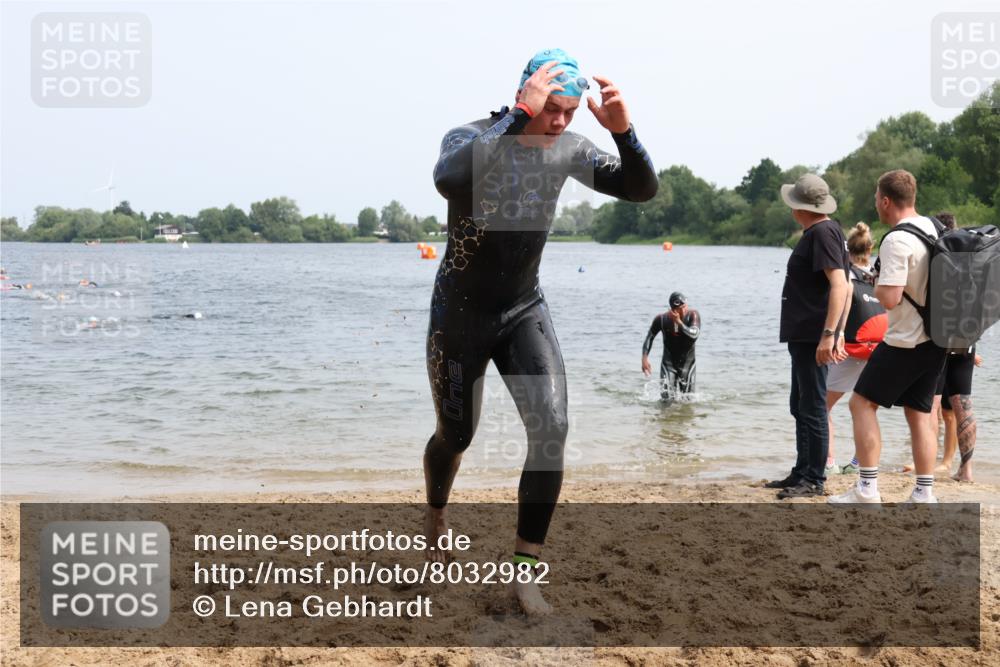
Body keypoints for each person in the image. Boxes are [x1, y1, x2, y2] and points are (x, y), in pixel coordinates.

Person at [424, 48, 657, 615]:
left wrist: (625, 134)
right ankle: (435, 517)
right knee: (456, 437)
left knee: (552, 429)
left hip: (523, 308)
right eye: (552, 108)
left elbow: (640, 189)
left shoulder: (569, 149)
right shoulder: (471, 135)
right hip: (459, 314)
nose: (559, 122)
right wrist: (515, 120)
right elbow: (448, 180)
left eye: (569, 112)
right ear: (527, 94)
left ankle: (524, 572)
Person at [830, 170, 948, 504]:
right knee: (920, 413)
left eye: (876, 200)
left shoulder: (897, 239)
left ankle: (866, 488)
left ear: (885, 201)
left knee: (861, 404)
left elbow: (891, 298)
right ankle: (924, 492)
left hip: (904, 340)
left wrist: (877, 281)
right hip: (936, 339)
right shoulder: (933, 227)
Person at [766, 173, 850, 499]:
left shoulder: (823, 233)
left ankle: (814, 479)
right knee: (800, 404)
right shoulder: (820, 232)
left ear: (798, 207)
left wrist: (830, 335)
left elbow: (841, 284)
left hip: (814, 335)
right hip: (806, 334)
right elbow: (850, 284)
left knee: (813, 406)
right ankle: (802, 470)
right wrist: (839, 331)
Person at [826, 222, 886, 475]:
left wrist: (835, 335)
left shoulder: (846, 275)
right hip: (878, 349)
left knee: (821, 404)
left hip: (850, 348)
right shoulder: (878, 275)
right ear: (870, 248)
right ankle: (859, 462)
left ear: (847, 248)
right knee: (865, 407)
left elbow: (843, 306)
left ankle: (828, 462)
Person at [641, 291, 701, 404]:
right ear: (673, 310)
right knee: (666, 402)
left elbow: (694, 335)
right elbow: (650, 337)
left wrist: (679, 323)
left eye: (684, 306)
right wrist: (644, 358)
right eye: (680, 309)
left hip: (688, 366)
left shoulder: (693, 315)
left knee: (688, 403)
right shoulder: (662, 319)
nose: (683, 310)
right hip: (668, 365)